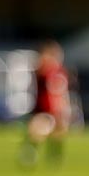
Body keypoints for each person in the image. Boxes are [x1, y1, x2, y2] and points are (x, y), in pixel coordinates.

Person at [19, 40, 70, 168]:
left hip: (56, 107)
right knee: (37, 132)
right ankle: (30, 154)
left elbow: (61, 90)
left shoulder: (58, 70)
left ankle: (54, 157)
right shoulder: (43, 70)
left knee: (58, 133)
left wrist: (62, 105)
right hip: (44, 107)